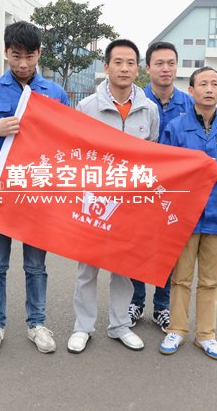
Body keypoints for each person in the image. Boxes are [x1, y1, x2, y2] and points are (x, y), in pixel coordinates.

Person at [0, 21, 70, 356]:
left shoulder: (55, 94)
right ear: (6, 53)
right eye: (16, 56)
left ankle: (37, 324)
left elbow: (69, 142)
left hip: (38, 191)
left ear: (39, 53)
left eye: (30, 56)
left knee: (36, 265)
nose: (23, 64)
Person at [67, 39, 159, 354]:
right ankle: (83, 327)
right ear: (106, 67)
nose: (124, 68)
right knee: (87, 268)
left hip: (130, 204)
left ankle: (120, 325)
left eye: (130, 63)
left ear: (138, 69)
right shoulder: (86, 107)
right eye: (118, 62)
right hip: (95, 200)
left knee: (124, 268)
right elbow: (76, 153)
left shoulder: (149, 110)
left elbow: (153, 154)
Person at [158, 66, 217, 360]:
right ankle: (177, 329)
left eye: (214, 84)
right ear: (191, 91)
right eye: (203, 84)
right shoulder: (176, 129)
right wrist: (167, 219)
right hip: (184, 221)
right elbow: (163, 176)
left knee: (211, 281)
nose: (209, 89)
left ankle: (206, 335)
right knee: (180, 279)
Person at [128, 41, 194, 332]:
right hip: (140, 188)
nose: (165, 69)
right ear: (148, 68)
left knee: (169, 248)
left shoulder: (189, 105)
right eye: (159, 63)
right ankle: (136, 301)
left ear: (176, 67)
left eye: (170, 63)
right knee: (137, 246)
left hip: (175, 191)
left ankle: (162, 306)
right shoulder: (137, 101)